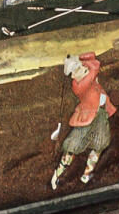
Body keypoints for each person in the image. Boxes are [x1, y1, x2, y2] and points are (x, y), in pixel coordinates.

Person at [48, 52, 113, 188]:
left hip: (100, 115)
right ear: (73, 75)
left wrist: (78, 58)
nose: (84, 68)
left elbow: (92, 56)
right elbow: (95, 66)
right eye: (79, 69)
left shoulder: (85, 74)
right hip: (87, 119)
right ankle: (56, 175)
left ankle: (87, 174)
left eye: (82, 67)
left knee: (99, 145)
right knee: (72, 147)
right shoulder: (79, 85)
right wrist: (81, 62)